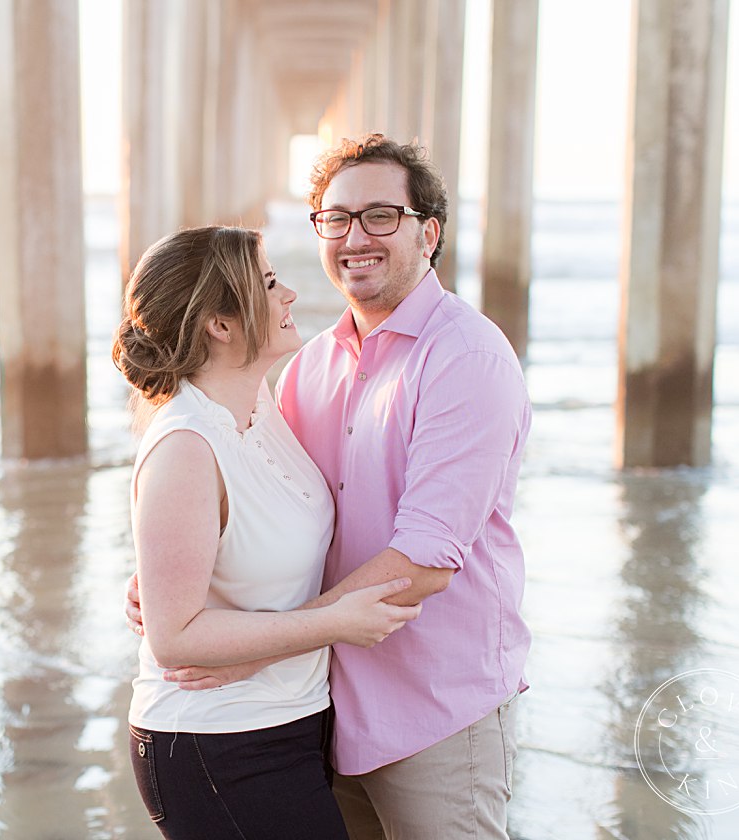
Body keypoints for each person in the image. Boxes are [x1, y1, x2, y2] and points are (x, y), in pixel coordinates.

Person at [127, 135, 532, 839]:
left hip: (430, 709)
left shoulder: (466, 359)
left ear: (428, 233)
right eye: (336, 218)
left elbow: (424, 562)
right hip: (320, 712)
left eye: (380, 215)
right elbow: (248, 504)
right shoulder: (307, 368)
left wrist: (250, 648)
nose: (354, 238)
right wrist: (166, 580)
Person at [113, 224, 422, 840]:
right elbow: (175, 641)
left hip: (292, 723)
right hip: (216, 743)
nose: (290, 296)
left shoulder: (262, 406)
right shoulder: (186, 446)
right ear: (220, 325)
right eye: (270, 283)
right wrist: (334, 624)